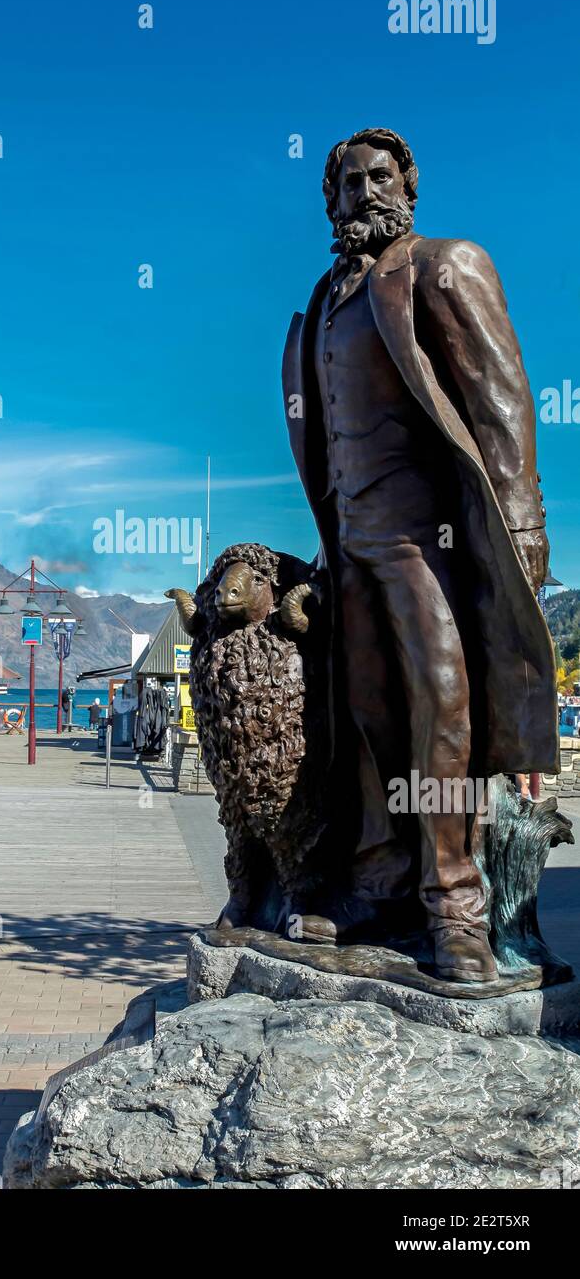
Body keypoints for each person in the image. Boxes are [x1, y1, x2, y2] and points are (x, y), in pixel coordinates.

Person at [281, 127, 556, 983]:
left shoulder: (444, 266)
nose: (362, 193)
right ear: (328, 202)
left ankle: (455, 909)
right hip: (350, 545)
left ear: (408, 185)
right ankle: (377, 883)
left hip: (427, 539)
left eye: (378, 177)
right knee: (367, 716)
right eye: (347, 183)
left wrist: (522, 523)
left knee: (443, 713)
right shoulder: (323, 301)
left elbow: (502, 400)